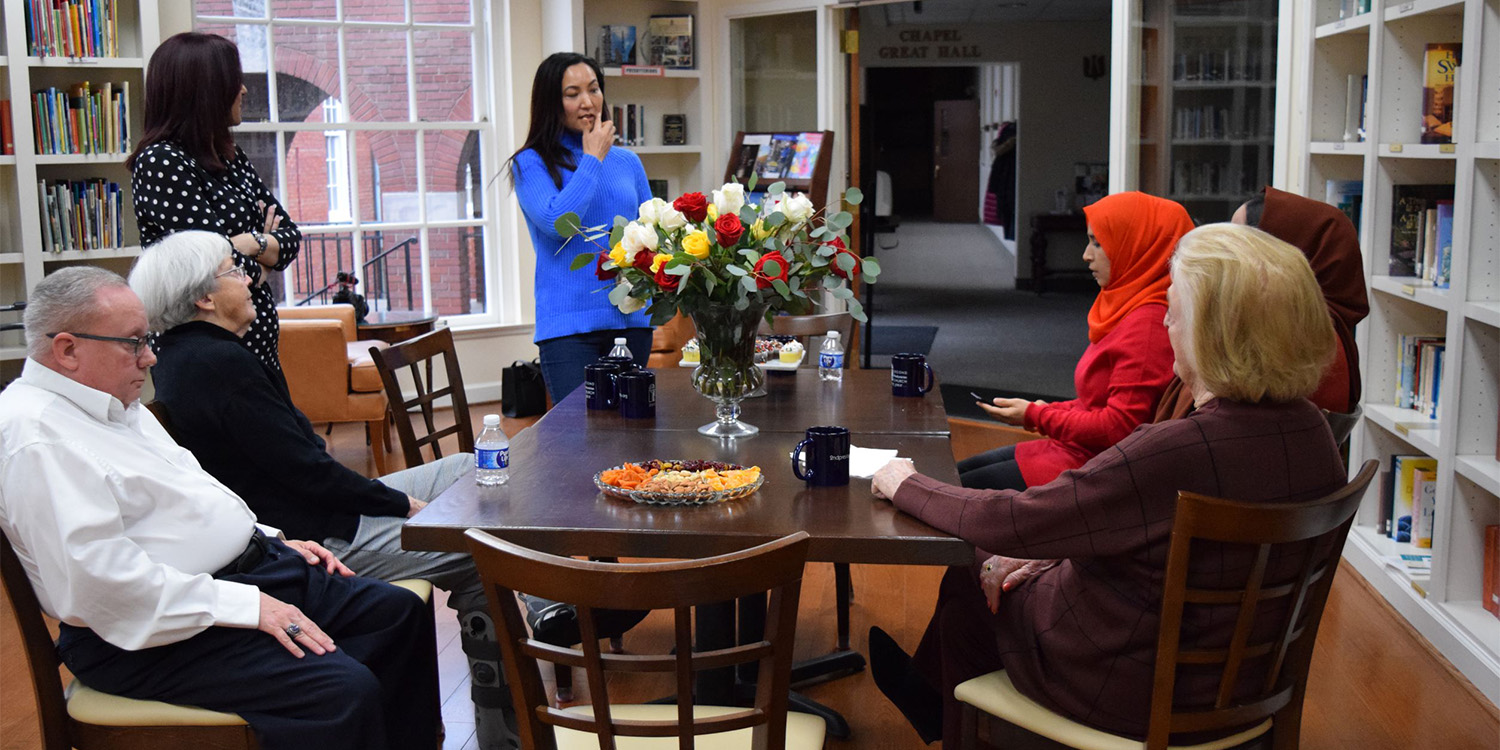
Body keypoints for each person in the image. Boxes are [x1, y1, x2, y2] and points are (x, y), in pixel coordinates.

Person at [866, 223, 1349, 747]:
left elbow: (1012, 521)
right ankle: (939, 706)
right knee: (1002, 567)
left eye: (1176, 307)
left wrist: (904, 483)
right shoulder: (1314, 432)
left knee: (972, 574)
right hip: (1245, 682)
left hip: (1129, 688)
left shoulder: (1181, 449)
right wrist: (1053, 554)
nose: (1165, 320)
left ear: (1215, 331)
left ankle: (952, 722)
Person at [0, 267, 439, 750]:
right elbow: (100, 588)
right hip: (143, 631)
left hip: (239, 577)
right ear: (67, 349)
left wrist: (271, 538)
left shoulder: (112, 402)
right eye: (133, 343)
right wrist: (251, 606)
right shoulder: (37, 438)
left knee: (397, 614)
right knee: (340, 692)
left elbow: (194, 494)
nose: (149, 357)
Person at [126, 230, 516, 749]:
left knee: (468, 466)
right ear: (204, 297)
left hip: (320, 507)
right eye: (234, 271)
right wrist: (401, 503)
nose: (249, 281)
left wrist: (386, 498)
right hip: (313, 532)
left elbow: (302, 456)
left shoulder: (200, 353)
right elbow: (309, 472)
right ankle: (504, 729)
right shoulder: (218, 364)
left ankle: (532, 617)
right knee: (480, 549)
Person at [958, 191, 1190, 491]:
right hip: (1076, 451)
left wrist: (1037, 415)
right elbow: (1097, 403)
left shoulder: (1147, 324)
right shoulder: (1128, 306)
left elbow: (1118, 428)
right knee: (953, 477)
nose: (1086, 255)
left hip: (1095, 469)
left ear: (1136, 245)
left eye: (1098, 242)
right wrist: (1043, 412)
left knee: (951, 491)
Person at [128, 31, 300, 372]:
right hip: (208, 358)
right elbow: (210, 275)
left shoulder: (231, 156)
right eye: (233, 81)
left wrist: (249, 243)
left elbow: (291, 238)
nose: (244, 90)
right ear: (204, 91)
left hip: (256, 348)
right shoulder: (162, 163)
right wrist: (260, 261)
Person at [506, 52, 653, 403]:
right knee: (578, 440)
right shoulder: (530, 163)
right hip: (569, 331)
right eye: (572, 94)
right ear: (550, 102)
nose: (587, 102)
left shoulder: (628, 162)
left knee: (632, 434)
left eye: (594, 89)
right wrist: (592, 159)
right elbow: (560, 224)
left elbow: (653, 234)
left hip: (632, 324)